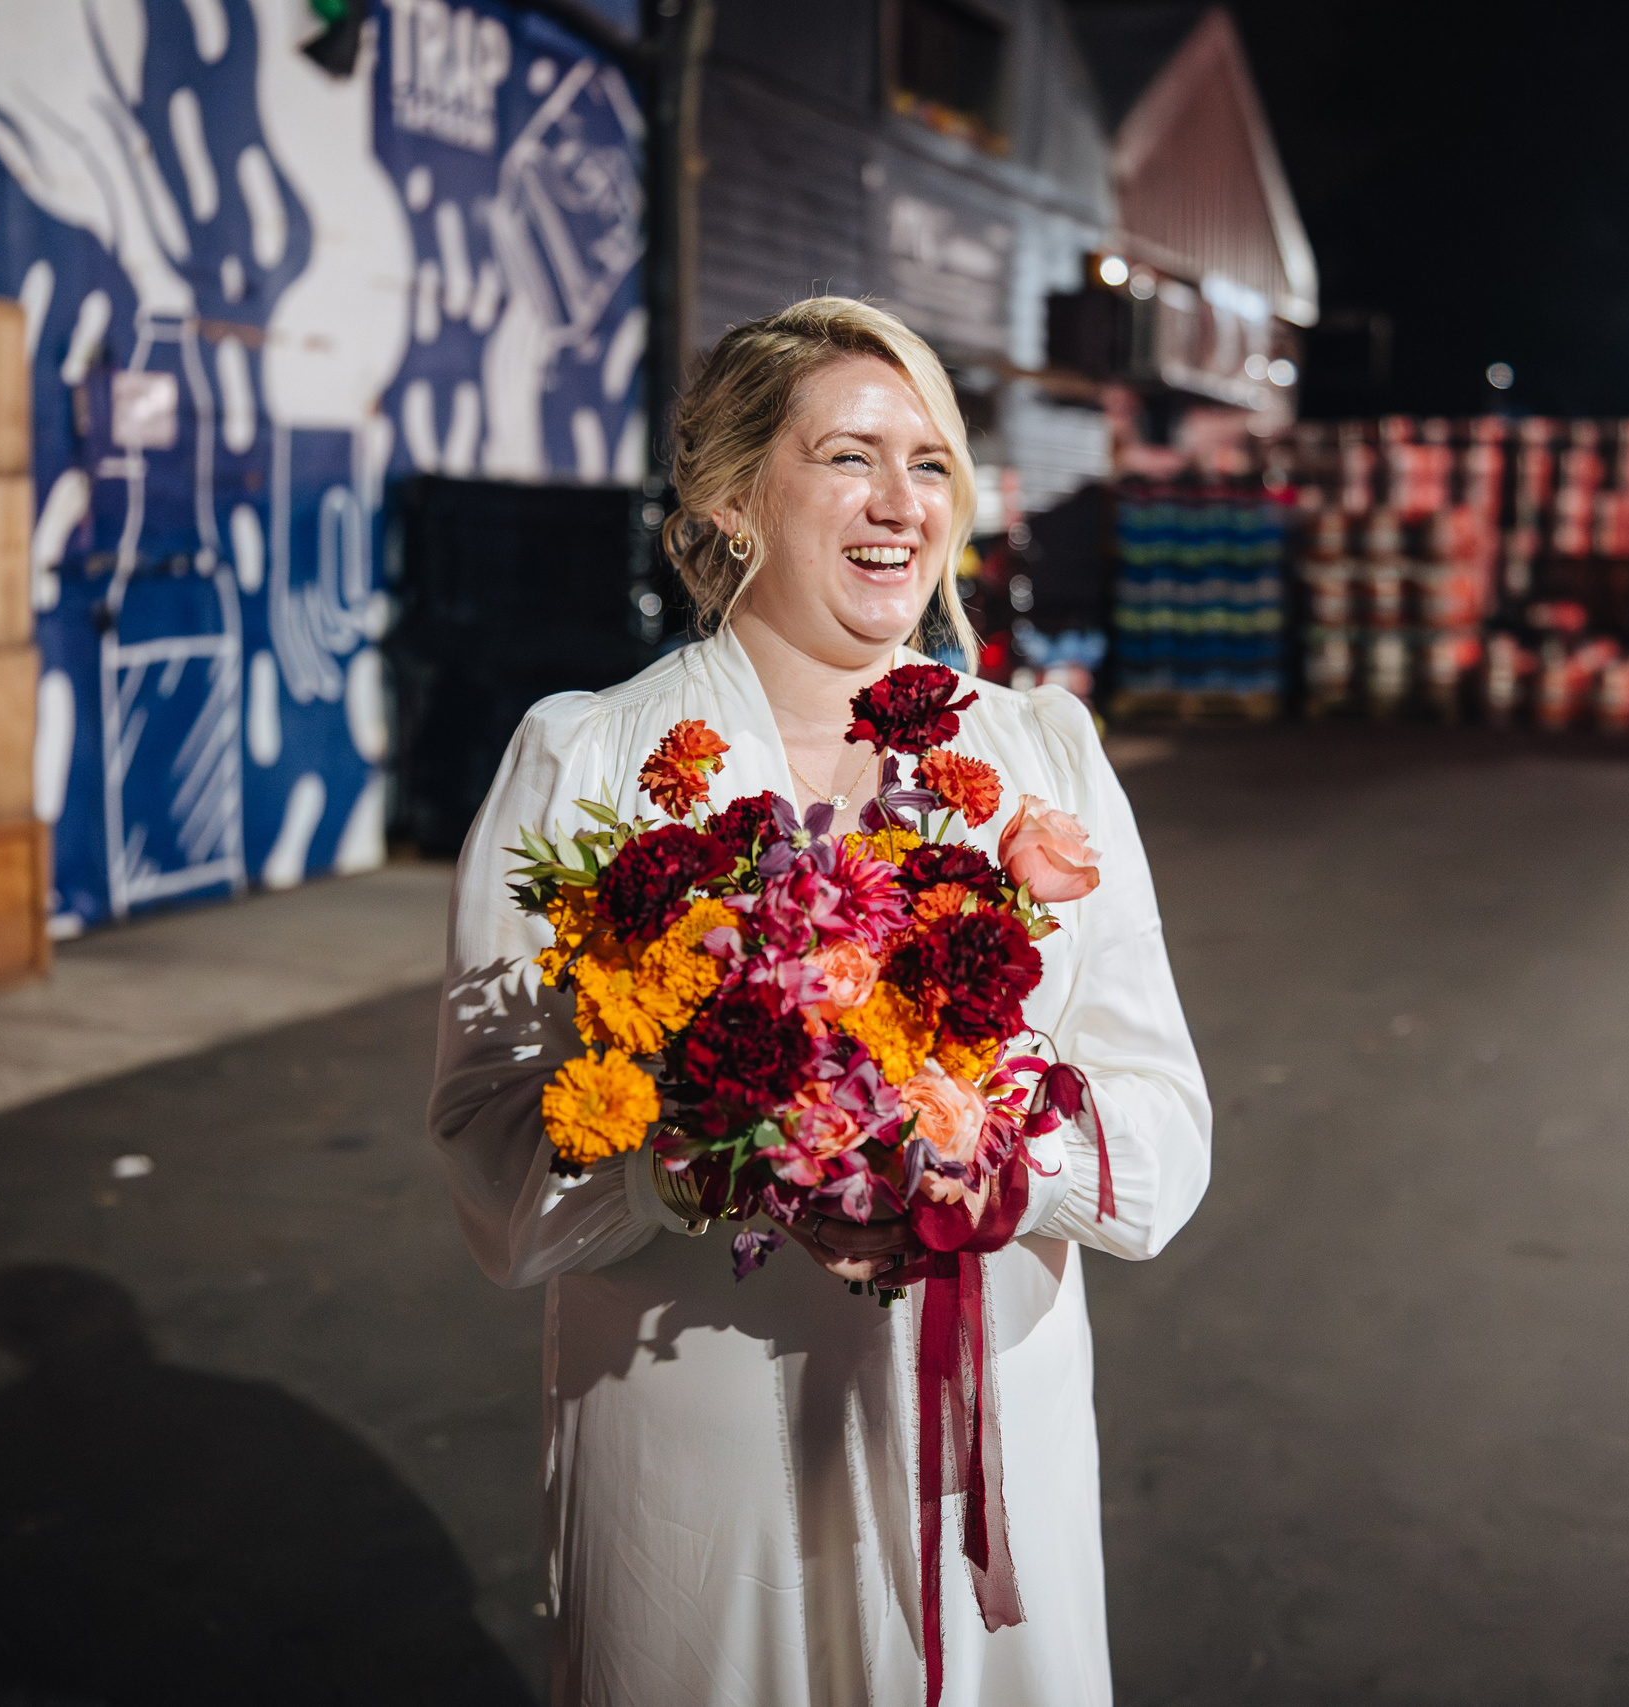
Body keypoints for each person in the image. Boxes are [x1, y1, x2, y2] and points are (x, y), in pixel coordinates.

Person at [428, 296, 1211, 1705]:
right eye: (849, 456)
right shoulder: (589, 761)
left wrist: (998, 1163)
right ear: (732, 498)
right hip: (698, 1436)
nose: (902, 502)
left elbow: (1165, 1125)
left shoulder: (1039, 757)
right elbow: (494, 1164)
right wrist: (692, 1154)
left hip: (987, 1430)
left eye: (931, 463)